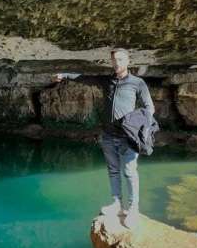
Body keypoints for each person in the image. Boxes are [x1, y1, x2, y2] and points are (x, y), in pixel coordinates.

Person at [51, 48, 155, 229]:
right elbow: (84, 77)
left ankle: (133, 209)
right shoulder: (107, 80)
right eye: (114, 60)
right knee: (113, 170)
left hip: (127, 137)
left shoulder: (137, 83)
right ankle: (116, 204)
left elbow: (149, 108)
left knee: (130, 172)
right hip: (108, 135)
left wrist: (135, 125)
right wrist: (64, 74)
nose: (117, 63)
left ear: (128, 61)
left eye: (121, 60)